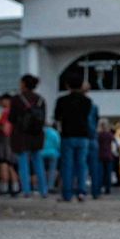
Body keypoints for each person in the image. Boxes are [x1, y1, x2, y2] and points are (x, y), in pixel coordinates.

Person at [54, 72, 91, 202]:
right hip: (83, 135)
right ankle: (81, 192)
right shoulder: (87, 101)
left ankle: (67, 194)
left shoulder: (61, 100)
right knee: (82, 164)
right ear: (81, 85)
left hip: (68, 135)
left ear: (67, 85)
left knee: (67, 165)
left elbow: (57, 117)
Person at [10, 74, 47, 198]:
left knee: (23, 163)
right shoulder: (41, 99)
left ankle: (26, 190)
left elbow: (12, 118)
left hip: (22, 135)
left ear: (24, 84)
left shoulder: (16, 99)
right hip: (37, 135)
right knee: (38, 162)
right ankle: (43, 190)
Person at [0, 94, 20, 195]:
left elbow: (5, 129)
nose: (0, 103)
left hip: (5, 141)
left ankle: (4, 188)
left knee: (5, 163)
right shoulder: (17, 112)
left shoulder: (6, 112)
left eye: (2, 100)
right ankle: (15, 187)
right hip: (14, 140)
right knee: (12, 164)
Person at [81, 82, 101, 199]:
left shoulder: (81, 105)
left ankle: (81, 190)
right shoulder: (93, 106)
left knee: (80, 164)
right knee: (94, 166)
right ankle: (95, 191)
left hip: (83, 136)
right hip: (92, 137)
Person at [96, 118, 115, 195]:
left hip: (100, 155)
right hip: (109, 155)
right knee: (108, 173)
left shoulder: (98, 135)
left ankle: (100, 187)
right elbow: (114, 144)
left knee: (100, 173)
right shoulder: (110, 135)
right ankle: (108, 188)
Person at [41, 123, 61, 193]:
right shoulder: (55, 133)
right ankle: (50, 186)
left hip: (42, 154)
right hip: (53, 154)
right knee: (52, 170)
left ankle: (42, 186)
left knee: (42, 170)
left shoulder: (42, 131)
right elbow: (58, 144)